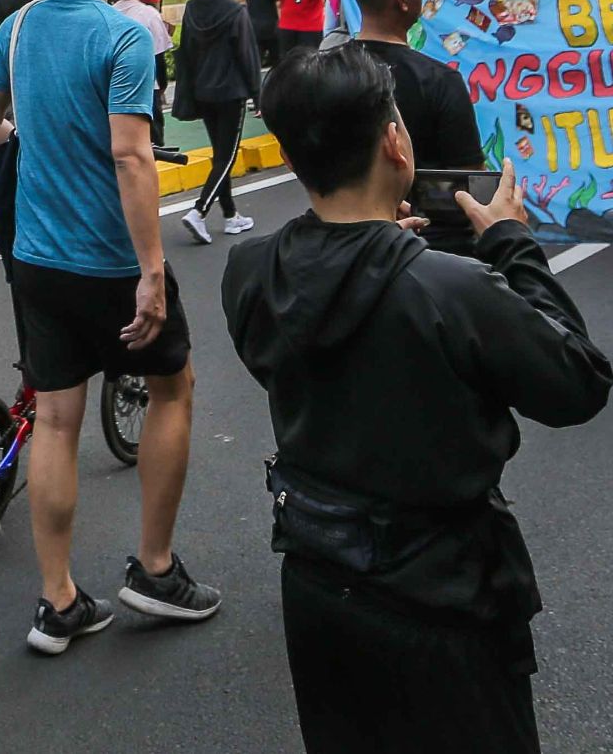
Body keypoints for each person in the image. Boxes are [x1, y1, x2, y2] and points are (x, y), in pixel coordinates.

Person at [222, 44, 611, 754]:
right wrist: (514, 244)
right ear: (395, 142)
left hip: (315, 581)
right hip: (445, 595)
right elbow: (577, 384)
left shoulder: (251, 267)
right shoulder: (449, 288)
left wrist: (369, 253)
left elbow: (286, 353)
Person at [0, 0, 219, 655]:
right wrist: (152, 271)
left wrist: (30, 136)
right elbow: (131, 152)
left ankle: (58, 601)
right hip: (110, 259)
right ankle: (155, 567)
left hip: (36, 259)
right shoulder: (124, 36)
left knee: (54, 418)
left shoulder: (16, 27)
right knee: (173, 387)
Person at [345, 0, 484, 250]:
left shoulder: (324, 74)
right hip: (436, 247)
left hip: (349, 241)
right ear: (404, 0)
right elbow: (467, 182)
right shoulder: (439, 80)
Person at [173, 0, 260, 242]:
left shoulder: (193, 9)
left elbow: (185, 52)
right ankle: (199, 211)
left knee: (219, 155)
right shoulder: (236, 12)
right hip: (231, 92)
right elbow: (248, 57)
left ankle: (231, 214)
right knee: (227, 156)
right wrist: (258, 94)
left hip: (202, 91)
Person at [112, 0, 172, 146]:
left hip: (115, 93)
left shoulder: (109, 14)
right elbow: (159, 56)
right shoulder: (149, 14)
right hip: (146, 91)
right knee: (153, 144)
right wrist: (162, 85)